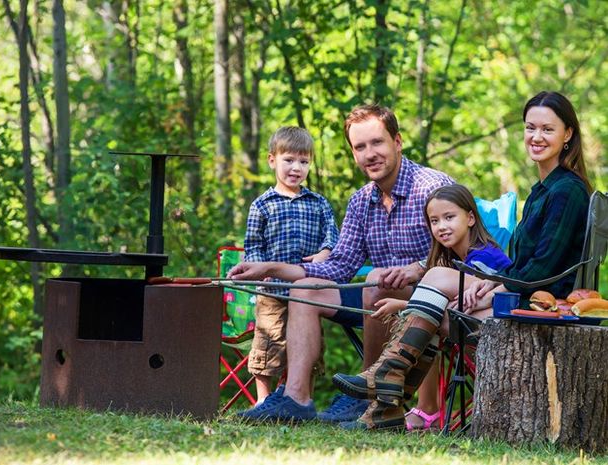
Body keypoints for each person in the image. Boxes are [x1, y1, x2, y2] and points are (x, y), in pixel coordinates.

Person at [333, 90, 592, 430]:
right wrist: (491, 282)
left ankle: (386, 382)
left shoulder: (567, 191)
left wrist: (495, 284)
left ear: (567, 134)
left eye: (547, 129)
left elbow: (543, 270)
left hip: (544, 304)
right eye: (530, 128)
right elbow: (524, 265)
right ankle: (386, 402)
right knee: (435, 305)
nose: (536, 137)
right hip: (524, 293)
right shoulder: (542, 190)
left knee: (439, 278)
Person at [229, 104, 454, 423]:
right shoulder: (362, 200)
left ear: (398, 142)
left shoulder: (431, 186)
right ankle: (296, 399)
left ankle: (369, 393)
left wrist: (418, 268)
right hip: (375, 300)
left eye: (377, 142)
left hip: (429, 302)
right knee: (305, 290)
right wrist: (269, 268)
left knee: (376, 279)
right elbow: (336, 268)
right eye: (360, 147)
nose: (369, 154)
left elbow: (465, 252)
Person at [342, 183, 512, 431]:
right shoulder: (457, 259)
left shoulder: (484, 258)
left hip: (496, 327)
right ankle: (392, 404)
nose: (441, 226)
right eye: (434, 221)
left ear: (471, 218)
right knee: (423, 324)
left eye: (449, 217)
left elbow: (460, 308)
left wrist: (403, 305)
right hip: (467, 326)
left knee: (424, 323)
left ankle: (393, 395)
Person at [244, 126, 339, 404]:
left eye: (304, 161)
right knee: (268, 345)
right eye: (289, 160)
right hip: (273, 291)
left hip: (308, 291)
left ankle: (301, 399)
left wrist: (325, 252)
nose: (296, 168)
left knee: (310, 347)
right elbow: (253, 246)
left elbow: (332, 237)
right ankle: (264, 401)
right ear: (272, 160)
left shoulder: (318, 203)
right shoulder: (262, 205)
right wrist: (260, 273)